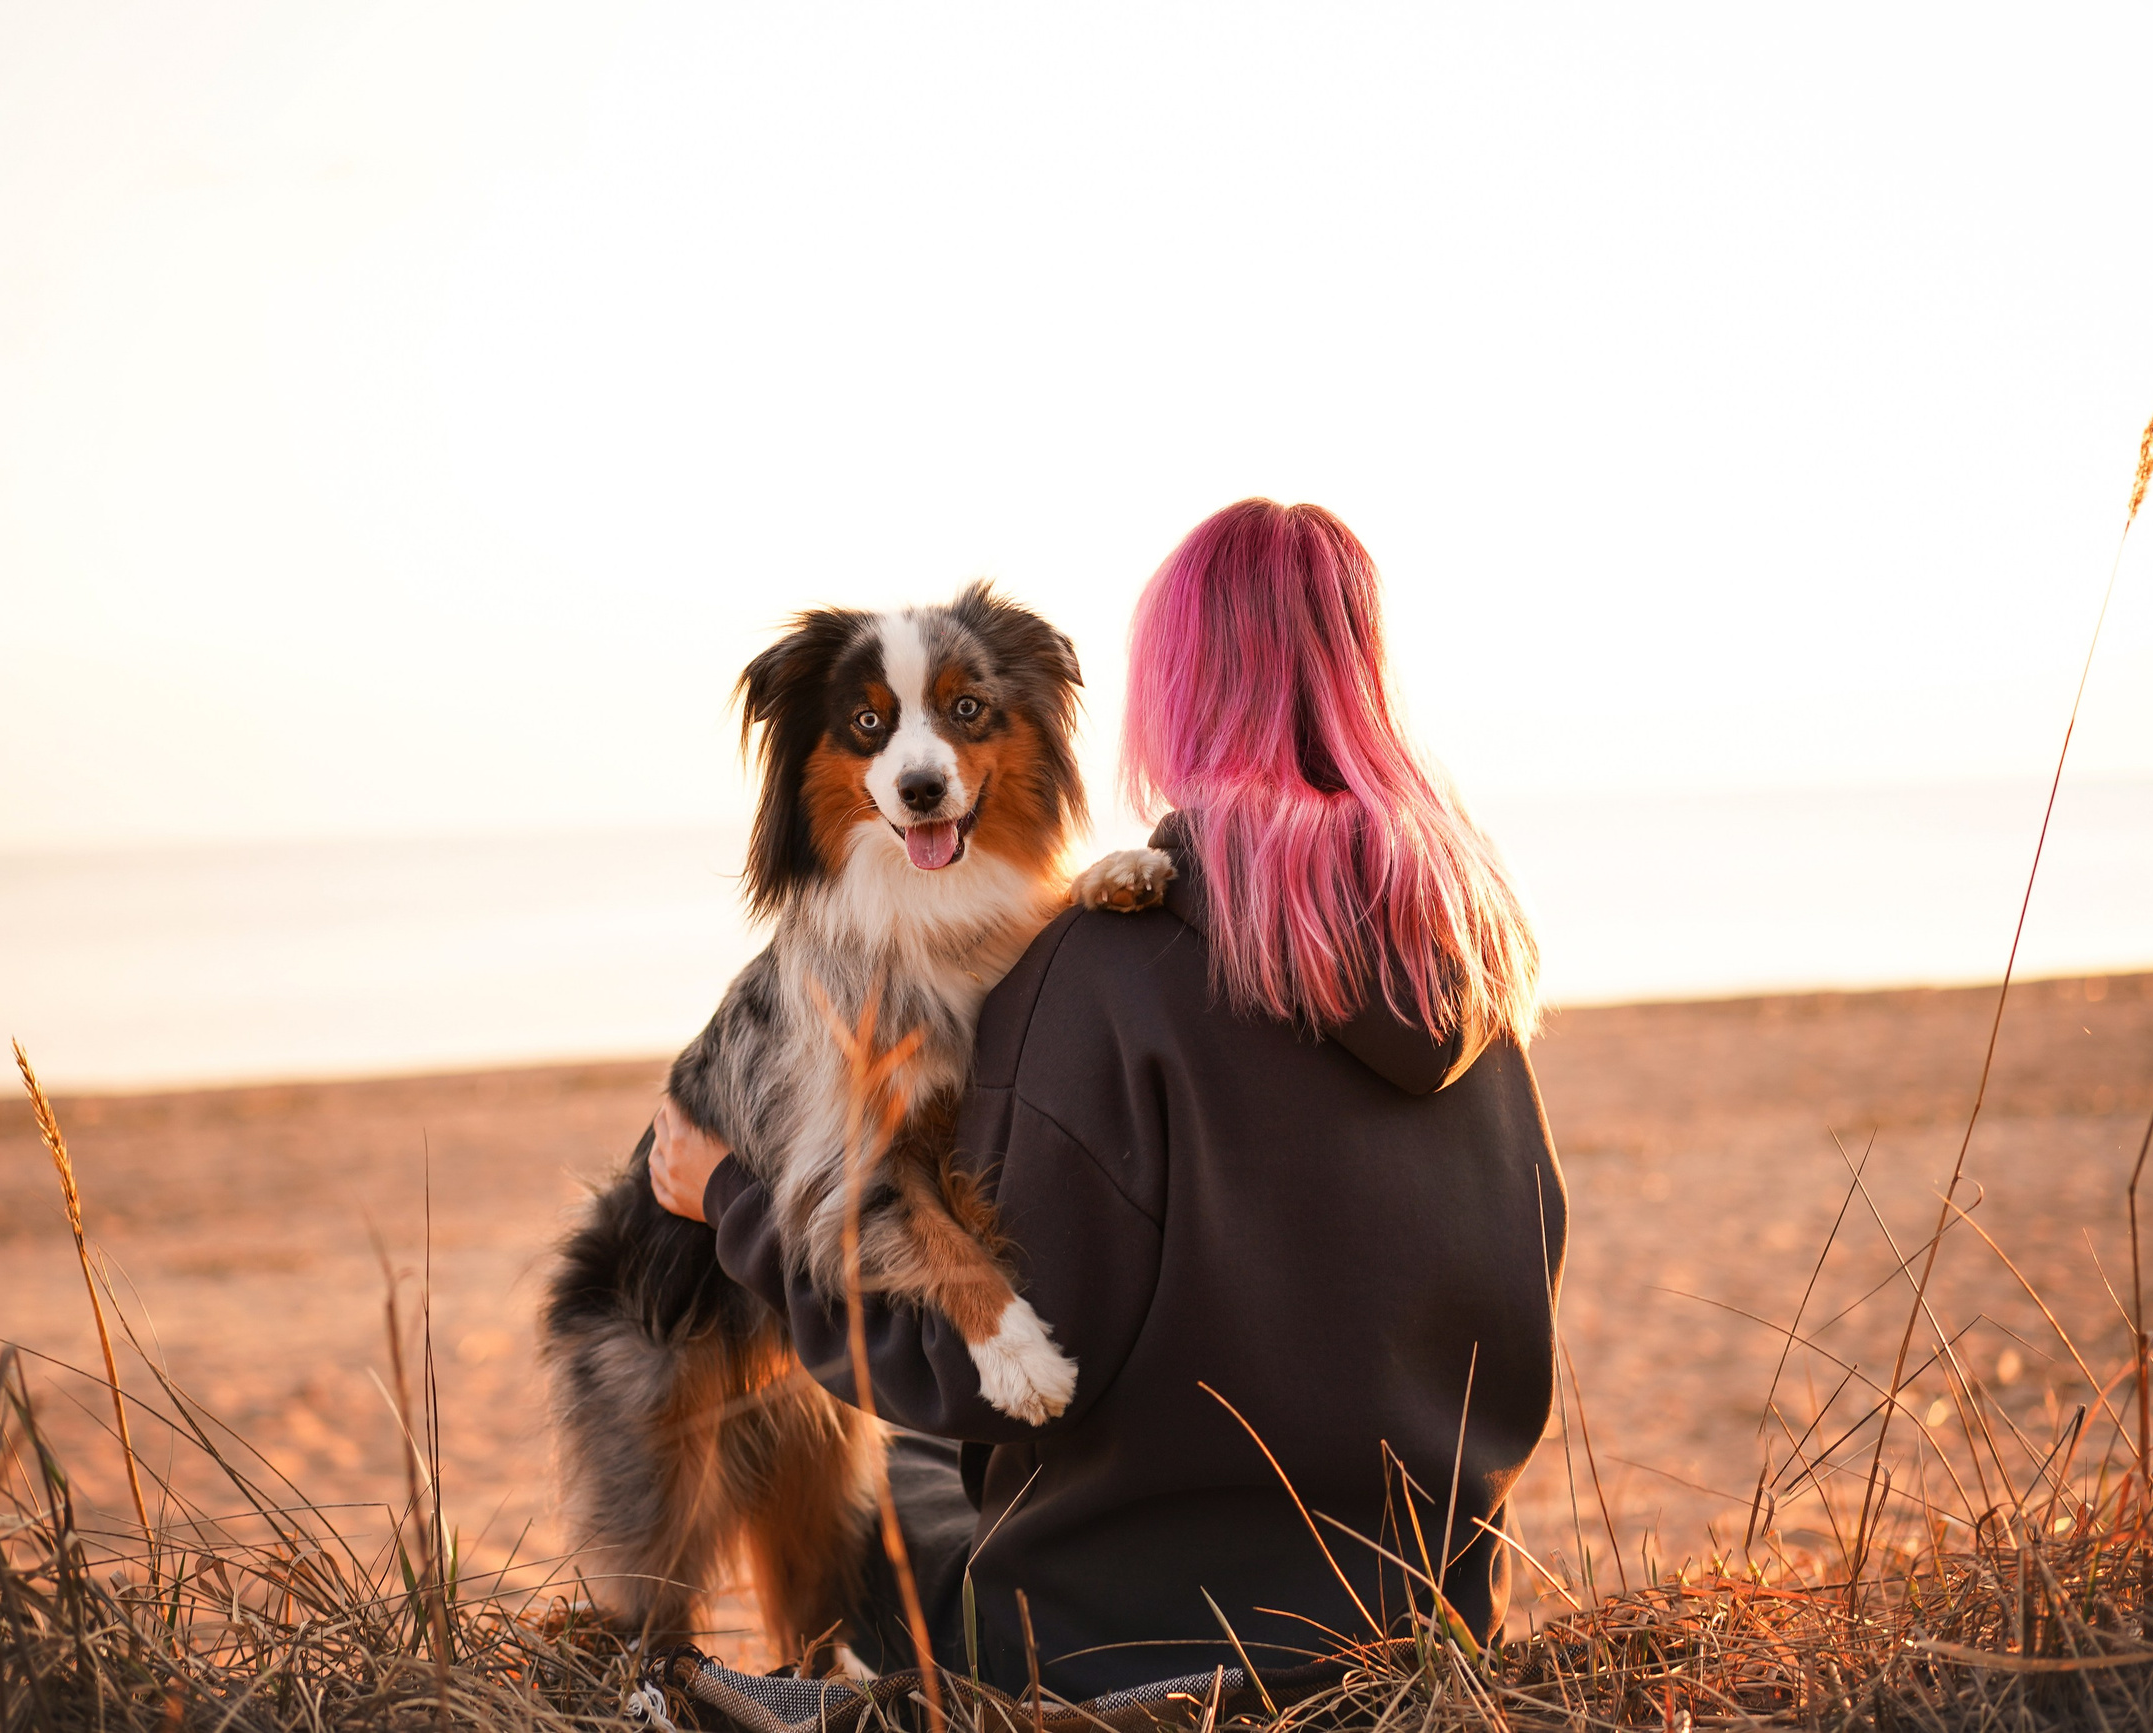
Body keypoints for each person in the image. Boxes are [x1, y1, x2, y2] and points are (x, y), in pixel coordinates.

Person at [648, 498, 1564, 1699]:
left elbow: (973, 1376)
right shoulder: (1471, 961)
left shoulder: (1093, 974)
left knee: (874, 1455)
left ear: (1171, 689)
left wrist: (731, 1204)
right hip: (1426, 1622)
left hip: (1120, 1658)